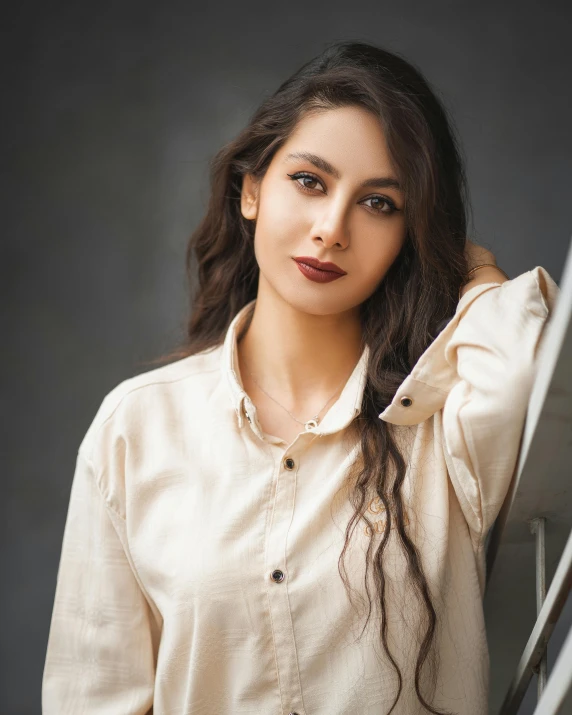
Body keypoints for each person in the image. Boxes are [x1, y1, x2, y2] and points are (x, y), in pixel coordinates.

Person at [42, 40, 560, 715]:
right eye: (310, 181)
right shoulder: (135, 430)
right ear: (252, 188)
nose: (331, 228)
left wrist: (478, 270)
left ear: (411, 235)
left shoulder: (440, 417)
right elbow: (93, 697)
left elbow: (529, 380)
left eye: (379, 204)